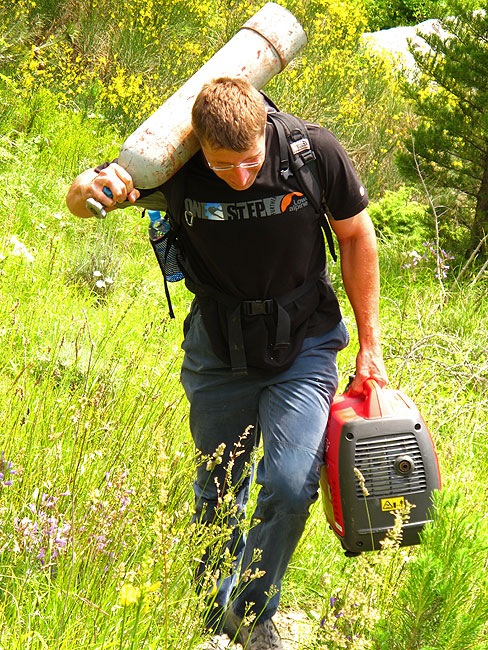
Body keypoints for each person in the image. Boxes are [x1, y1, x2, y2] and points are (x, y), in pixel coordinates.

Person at [66, 77, 388, 650]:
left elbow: (357, 236)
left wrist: (370, 345)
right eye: (222, 166)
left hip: (305, 340)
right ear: (199, 149)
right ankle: (209, 614)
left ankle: (252, 611)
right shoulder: (173, 167)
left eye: (249, 163)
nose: (238, 178)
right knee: (219, 486)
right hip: (218, 347)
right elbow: (81, 202)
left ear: (264, 132)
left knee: (290, 485)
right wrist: (90, 186)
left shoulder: (311, 153)